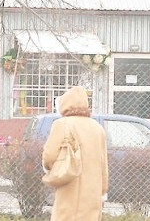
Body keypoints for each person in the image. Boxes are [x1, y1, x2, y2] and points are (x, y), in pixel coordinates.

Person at [42, 85, 109, 221]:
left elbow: (49, 156)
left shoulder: (61, 124)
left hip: (69, 185)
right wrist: (103, 190)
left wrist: (50, 168)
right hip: (92, 194)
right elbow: (103, 165)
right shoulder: (97, 128)